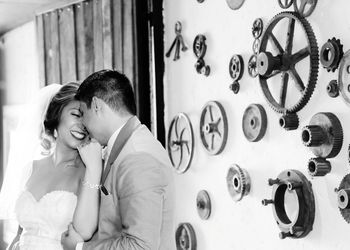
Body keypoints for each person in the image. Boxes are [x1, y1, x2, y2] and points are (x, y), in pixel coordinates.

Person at [61, 70, 175, 250]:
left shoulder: (137, 157)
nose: (82, 123)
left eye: (82, 113)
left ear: (97, 105)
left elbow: (140, 245)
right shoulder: (130, 144)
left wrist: (79, 248)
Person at [0, 83, 103, 250]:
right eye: (76, 114)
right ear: (57, 114)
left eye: (87, 118)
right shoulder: (30, 169)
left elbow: (86, 232)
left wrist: (94, 168)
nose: (83, 124)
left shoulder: (90, 171)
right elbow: (20, 235)